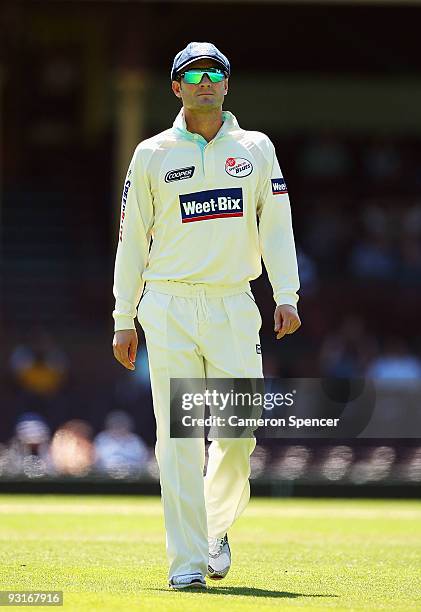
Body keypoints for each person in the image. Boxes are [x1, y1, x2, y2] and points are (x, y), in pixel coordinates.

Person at [112, 42, 301, 590]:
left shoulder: (256, 148)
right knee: (178, 438)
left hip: (233, 302)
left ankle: (214, 528)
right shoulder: (151, 153)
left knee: (238, 435)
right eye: (192, 74)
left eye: (214, 72)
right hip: (167, 303)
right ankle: (188, 564)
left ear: (227, 83)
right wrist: (124, 315)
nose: (204, 81)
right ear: (175, 87)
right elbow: (131, 241)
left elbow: (277, 223)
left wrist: (285, 293)